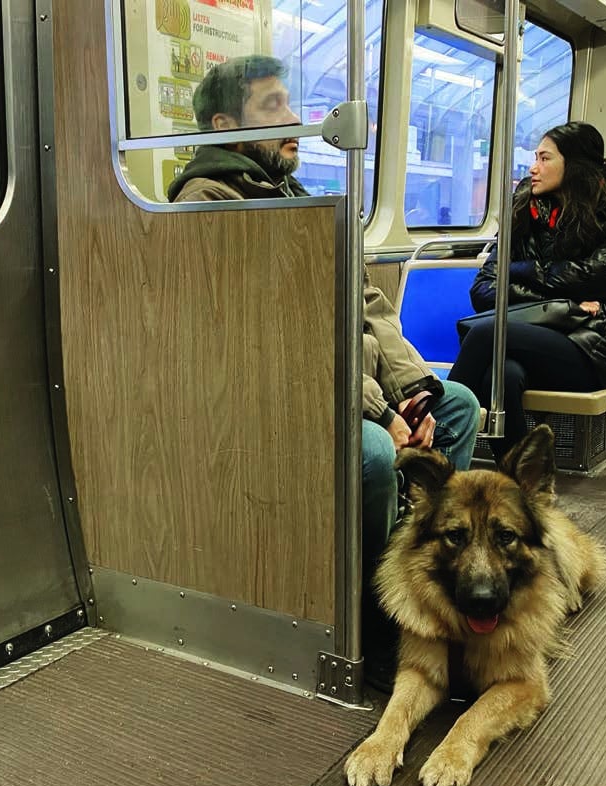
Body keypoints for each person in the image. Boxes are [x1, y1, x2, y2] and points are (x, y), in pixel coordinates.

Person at [168, 55, 481, 682]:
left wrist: (414, 393)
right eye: (272, 107)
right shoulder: (214, 202)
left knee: (460, 404)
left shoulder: (297, 197)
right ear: (225, 124)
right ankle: (364, 610)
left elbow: (367, 307)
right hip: (276, 394)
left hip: (346, 382)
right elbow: (280, 336)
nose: (294, 121)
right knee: (369, 453)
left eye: (290, 103)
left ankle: (427, 564)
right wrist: (381, 414)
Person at [448, 121, 606, 460]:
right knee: (500, 376)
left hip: (586, 343)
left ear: (573, 165)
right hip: (533, 334)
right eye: (535, 158)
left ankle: (434, 442)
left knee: (486, 334)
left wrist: (523, 271)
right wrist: (560, 301)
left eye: (545, 158)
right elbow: (483, 289)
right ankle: (521, 485)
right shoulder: (523, 211)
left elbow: (600, 276)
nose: (533, 168)